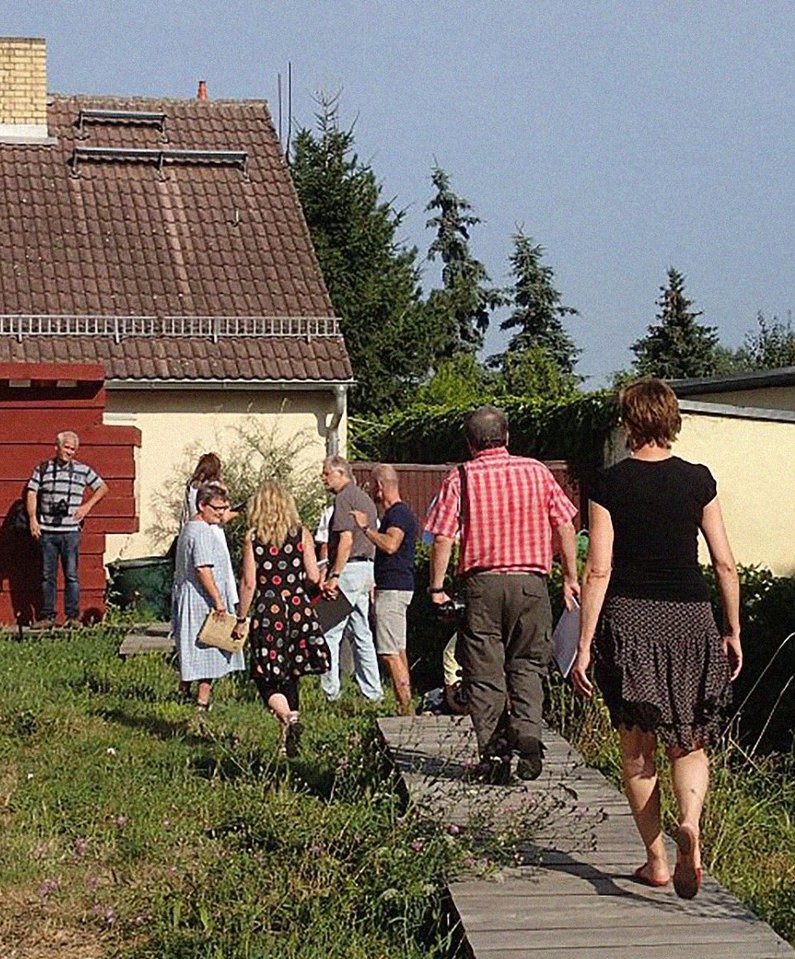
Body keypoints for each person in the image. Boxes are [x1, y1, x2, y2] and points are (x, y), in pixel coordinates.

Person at [571, 377, 741, 901]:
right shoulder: (697, 480)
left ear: (627, 422)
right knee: (688, 739)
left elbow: (598, 569)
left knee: (637, 751)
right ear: (670, 421)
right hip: (690, 620)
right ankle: (690, 820)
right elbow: (724, 563)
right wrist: (732, 629)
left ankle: (658, 860)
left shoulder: (608, 484)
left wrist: (583, 644)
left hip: (630, 621)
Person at [426, 405, 579, 784]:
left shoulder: (460, 476)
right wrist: (570, 575)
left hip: (482, 585)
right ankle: (528, 733)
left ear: (469, 442)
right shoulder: (537, 472)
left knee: (485, 671)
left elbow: (444, 536)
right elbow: (564, 524)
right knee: (528, 663)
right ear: (507, 437)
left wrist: (436, 587)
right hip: (531, 583)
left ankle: (494, 756)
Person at [234, 481, 331, 756]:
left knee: (265, 676)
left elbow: (249, 583)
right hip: (298, 610)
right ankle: (288, 740)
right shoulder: (301, 534)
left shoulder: (252, 538)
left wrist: (242, 617)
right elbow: (313, 576)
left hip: (269, 611)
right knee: (291, 675)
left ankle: (289, 719)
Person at [351, 464, 417, 715]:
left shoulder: (398, 515)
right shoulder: (399, 514)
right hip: (397, 587)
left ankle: (406, 710)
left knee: (389, 652)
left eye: (371, 485)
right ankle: (405, 704)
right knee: (398, 649)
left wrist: (366, 529)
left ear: (380, 486)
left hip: (393, 588)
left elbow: (390, 544)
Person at [172, 483, 244, 712]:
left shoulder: (190, 527)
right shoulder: (201, 531)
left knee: (196, 649)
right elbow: (203, 569)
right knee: (210, 647)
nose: (222, 513)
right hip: (202, 599)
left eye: (224, 508)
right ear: (202, 505)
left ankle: (184, 691)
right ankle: (202, 703)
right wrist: (219, 602)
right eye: (217, 508)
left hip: (194, 596)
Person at [26, 431, 108, 627]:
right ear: (57, 447)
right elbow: (32, 492)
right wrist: (32, 519)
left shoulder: (82, 470)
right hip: (46, 530)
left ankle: (72, 617)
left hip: (70, 530)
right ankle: (47, 617)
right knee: (48, 576)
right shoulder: (43, 469)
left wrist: (86, 507)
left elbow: (102, 488)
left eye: (73, 449)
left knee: (71, 575)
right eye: (67, 447)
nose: (70, 452)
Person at [319, 455, 383, 702]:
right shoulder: (364, 498)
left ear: (340, 473)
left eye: (326, 473)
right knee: (361, 631)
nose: (323, 478)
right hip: (365, 567)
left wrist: (334, 575)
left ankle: (330, 692)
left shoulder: (345, 498)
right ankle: (373, 691)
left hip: (350, 569)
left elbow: (345, 540)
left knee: (329, 632)